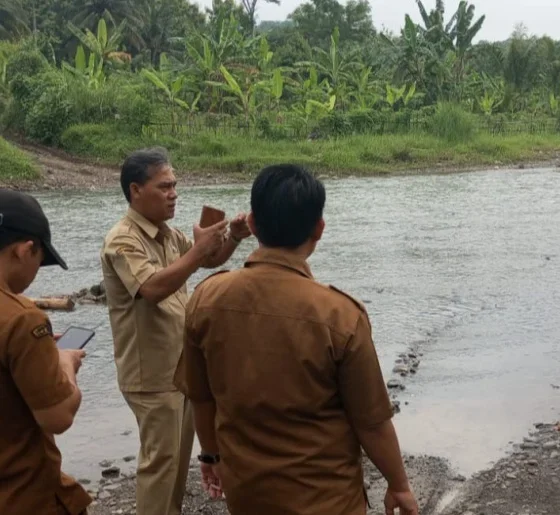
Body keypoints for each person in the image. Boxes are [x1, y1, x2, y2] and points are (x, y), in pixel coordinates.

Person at [173, 164, 419, 515]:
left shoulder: (206, 299)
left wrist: (211, 456)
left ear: (252, 223)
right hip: (327, 500)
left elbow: (201, 397)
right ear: (319, 229)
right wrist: (399, 485)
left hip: (248, 495)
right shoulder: (340, 314)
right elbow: (371, 422)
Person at [100, 148, 252, 515]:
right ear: (136, 190)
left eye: (175, 186)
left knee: (177, 463)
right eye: (165, 186)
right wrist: (199, 251)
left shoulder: (167, 234)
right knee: (161, 465)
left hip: (179, 369)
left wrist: (232, 236)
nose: (174, 194)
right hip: (150, 374)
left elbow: (209, 259)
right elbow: (152, 288)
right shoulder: (123, 239)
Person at [0, 189, 92, 514]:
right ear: (25, 250)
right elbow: (58, 416)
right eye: (40, 261)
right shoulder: (23, 318)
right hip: (21, 495)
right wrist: (64, 362)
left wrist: (37, 356)